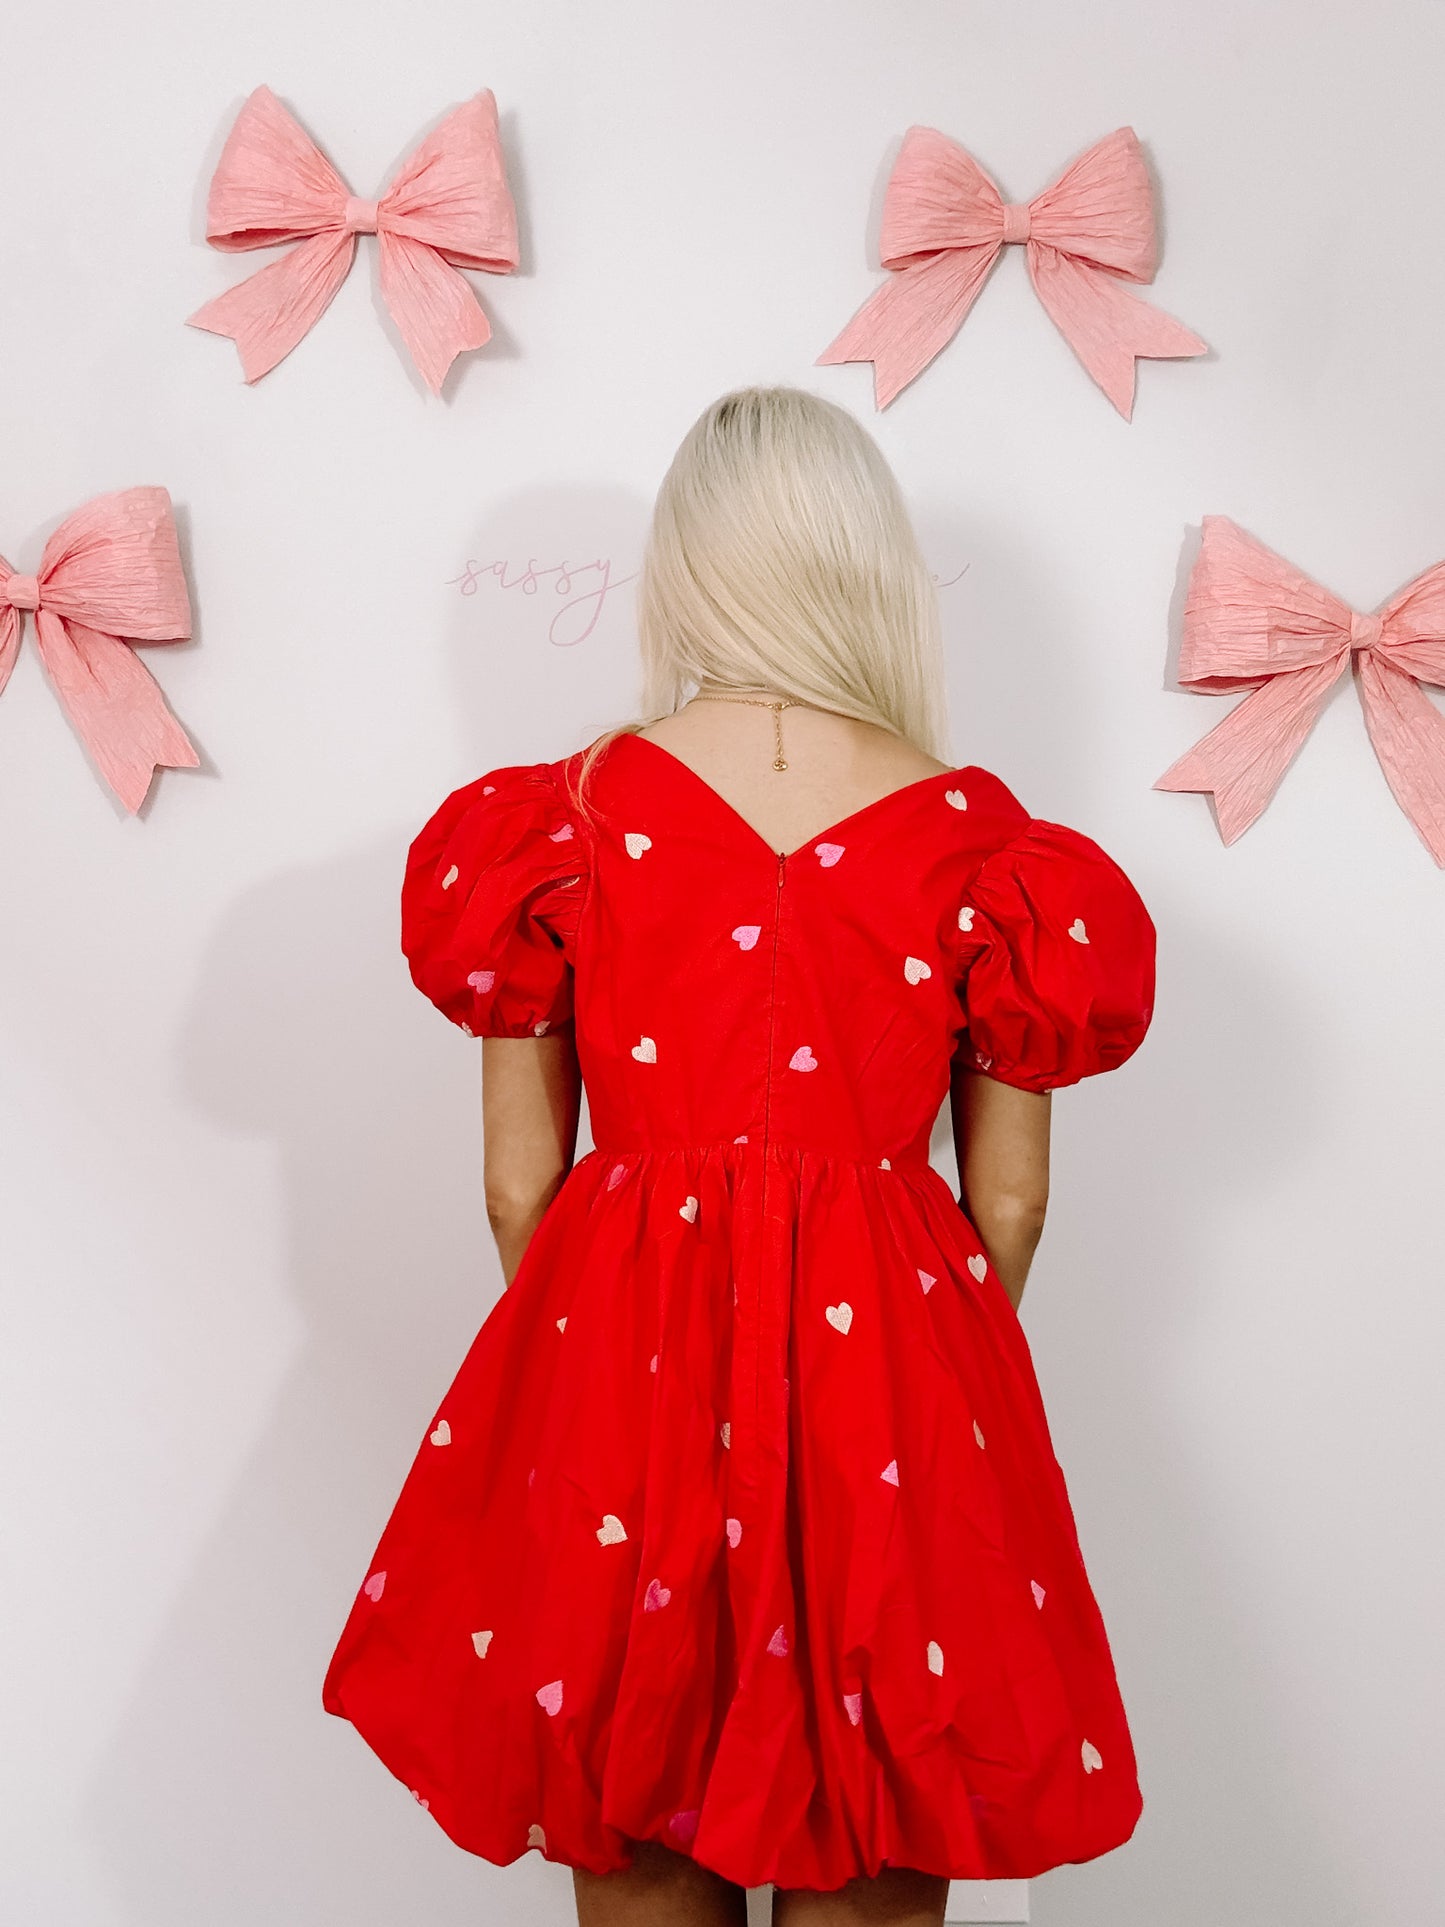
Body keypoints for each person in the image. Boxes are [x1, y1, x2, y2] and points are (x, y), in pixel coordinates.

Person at [322, 386, 1157, 1927]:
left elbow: (516, 1185)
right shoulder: (983, 846)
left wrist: (604, 1361)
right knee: (882, 1805)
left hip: (620, 1379)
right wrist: (910, 1367)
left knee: (630, 1801)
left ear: (688, 565)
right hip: (892, 1390)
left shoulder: (564, 818)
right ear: (867, 563)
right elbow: (1014, 1199)